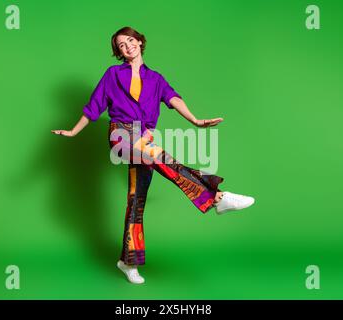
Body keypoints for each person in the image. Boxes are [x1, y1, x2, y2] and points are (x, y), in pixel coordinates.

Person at [51, 26, 255, 284]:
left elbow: (173, 98)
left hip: (145, 137)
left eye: (130, 41)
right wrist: (73, 131)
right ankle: (217, 197)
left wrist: (195, 120)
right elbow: (94, 106)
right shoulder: (113, 74)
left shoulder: (156, 79)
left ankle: (127, 262)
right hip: (121, 134)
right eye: (121, 45)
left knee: (136, 201)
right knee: (160, 156)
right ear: (118, 52)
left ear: (139, 41)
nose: (127, 47)